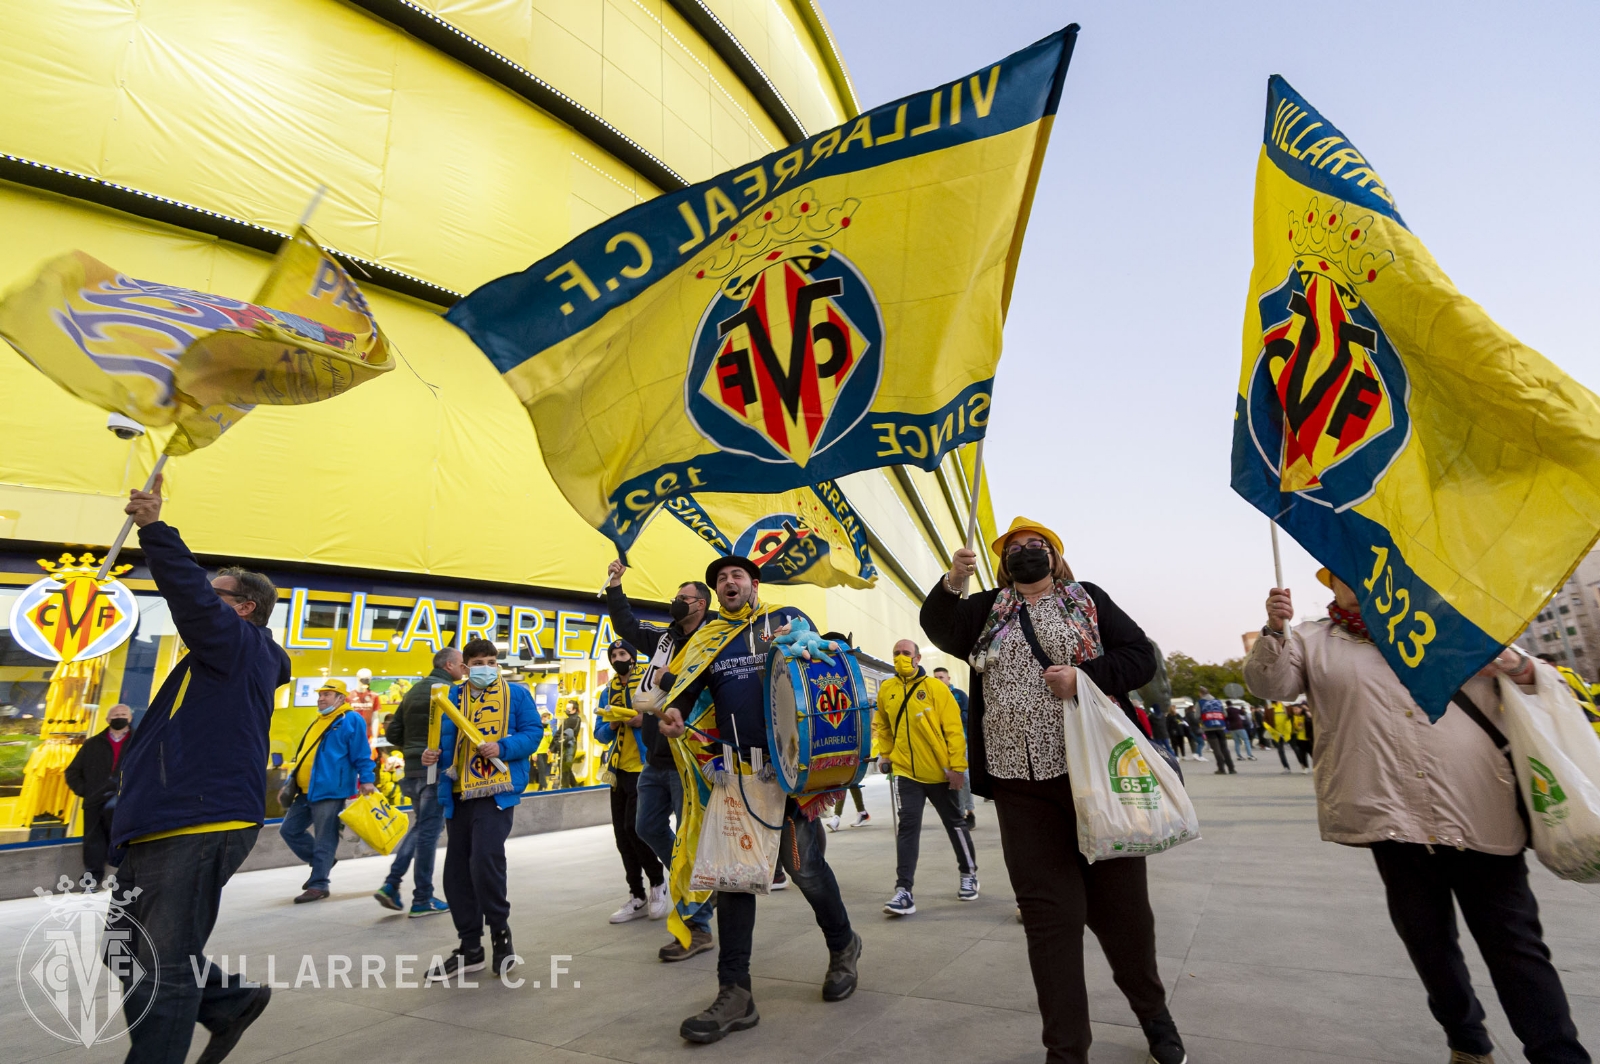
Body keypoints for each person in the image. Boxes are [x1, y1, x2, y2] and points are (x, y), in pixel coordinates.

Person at [1246, 570, 1591, 1064]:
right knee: (1430, 945)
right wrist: (1275, 630)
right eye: (1344, 572)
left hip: (1479, 809)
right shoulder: (1312, 639)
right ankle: (1467, 1042)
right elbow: (1270, 685)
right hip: (1392, 819)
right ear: (1331, 586)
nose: (1358, 581)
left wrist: (1515, 664)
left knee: (1517, 947)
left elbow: (1543, 684)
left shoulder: (1455, 624)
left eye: (1368, 568)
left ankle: (1559, 1055)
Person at [920, 517, 1185, 1064]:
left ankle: (1154, 1016)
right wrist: (952, 581)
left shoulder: (1087, 599)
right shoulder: (986, 610)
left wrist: (1085, 677)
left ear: (1056, 556)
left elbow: (1140, 655)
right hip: (1020, 787)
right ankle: (1066, 1051)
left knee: (1124, 916)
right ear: (999, 564)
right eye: (1013, 549)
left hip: (1095, 781)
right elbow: (940, 629)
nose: (1025, 553)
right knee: (1049, 922)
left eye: (1035, 545)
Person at [106, 473, 290, 1064]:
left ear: (244, 608)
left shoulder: (241, 645)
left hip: (195, 821)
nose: (204, 600)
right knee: (125, 951)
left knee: (159, 964)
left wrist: (155, 528)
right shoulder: (216, 663)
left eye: (218, 594)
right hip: (161, 819)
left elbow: (188, 594)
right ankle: (229, 1001)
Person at [658, 555, 861, 1043]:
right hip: (740, 775)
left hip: (792, 773)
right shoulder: (709, 639)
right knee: (734, 880)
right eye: (721, 579)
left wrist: (817, 648)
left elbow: (822, 665)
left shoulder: (787, 619)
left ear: (754, 583)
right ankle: (736, 993)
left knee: (804, 868)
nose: (729, 582)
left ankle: (843, 945)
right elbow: (686, 692)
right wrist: (674, 715)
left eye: (736, 576)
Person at [605, 562, 717, 960]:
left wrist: (671, 681)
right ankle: (697, 881)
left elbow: (709, 687)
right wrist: (615, 585)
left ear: (701, 605)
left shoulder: (716, 639)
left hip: (693, 756)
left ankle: (697, 926)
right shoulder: (665, 639)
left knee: (690, 839)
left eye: (683, 598)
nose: (676, 603)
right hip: (657, 756)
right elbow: (628, 627)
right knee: (646, 826)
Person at [422, 639, 543, 984]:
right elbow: (443, 744)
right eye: (478, 663)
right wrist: (432, 757)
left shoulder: (516, 695)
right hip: (457, 794)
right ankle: (469, 947)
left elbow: (534, 734)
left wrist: (502, 746)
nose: (485, 667)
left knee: (485, 860)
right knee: (456, 872)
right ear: (464, 667)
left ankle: (500, 933)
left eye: (491, 661)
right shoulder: (450, 698)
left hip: (497, 791)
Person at [875, 638, 978, 916]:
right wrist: (885, 754)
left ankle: (969, 873)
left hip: (939, 773)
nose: (900, 657)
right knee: (908, 828)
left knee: (955, 824)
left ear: (918, 658)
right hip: (907, 773)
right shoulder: (887, 689)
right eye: (896, 653)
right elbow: (882, 724)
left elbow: (954, 729)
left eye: (906, 653)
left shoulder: (935, 688)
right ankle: (903, 891)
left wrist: (957, 767)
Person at [374, 647, 464, 916]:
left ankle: (391, 884)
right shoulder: (448, 692)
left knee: (420, 828)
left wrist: (412, 751)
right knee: (428, 833)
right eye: (462, 663)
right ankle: (422, 898)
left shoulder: (413, 691)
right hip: (434, 771)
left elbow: (393, 733)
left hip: (412, 772)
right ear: (448, 665)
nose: (465, 669)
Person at [278, 679, 375, 902]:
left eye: (327, 694)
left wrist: (367, 780)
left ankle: (319, 884)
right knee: (289, 830)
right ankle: (324, 862)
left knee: (325, 838)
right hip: (305, 790)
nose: (321, 698)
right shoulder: (319, 720)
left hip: (331, 789)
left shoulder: (350, 720)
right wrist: (290, 782)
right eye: (320, 694)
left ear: (341, 698)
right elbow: (305, 754)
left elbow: (362, 753)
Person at [596, 638, 668, 924]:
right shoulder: (608, 690)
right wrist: (611, 724)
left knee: (636, 828)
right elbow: (599, 734)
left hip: (644, 767)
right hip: (617, 771)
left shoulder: (647, 683)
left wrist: (644, 720)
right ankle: (636, 894)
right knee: (622, 836)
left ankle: (657, 884)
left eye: (623, 653)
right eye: (613, 654)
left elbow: (664, 716)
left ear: (633, 656)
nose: (618, 658)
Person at [64, 702, 136, 889]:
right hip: (95, 801)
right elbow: (72, 772)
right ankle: (93, 878)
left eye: (123, 713)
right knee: (93, 841)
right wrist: (86, 791)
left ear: (130, 718)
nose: (119, 717)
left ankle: (127, 878)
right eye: (115, 714)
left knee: (126, 839)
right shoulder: (93, 743)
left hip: (127, 802)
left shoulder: (140, 742)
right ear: (107, 719)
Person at [933, 664, 974, 827]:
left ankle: (969, 812)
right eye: (935, 678)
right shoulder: (932, 696)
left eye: (941, 677)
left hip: (959, 743)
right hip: (940, 746)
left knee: (964, 777)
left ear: (948, 678)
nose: (938, 680)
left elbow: (968, 716)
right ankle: (957, 812)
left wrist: (951, 715)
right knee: (945, 779)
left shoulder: (959, 695)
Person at [1197, 688, 1235, 774]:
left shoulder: (1200, 702)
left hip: (1208, 728)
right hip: (1220, 727)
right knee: (1224, 748)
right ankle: (1231, 768)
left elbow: (1197, 716)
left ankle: (1221, 768)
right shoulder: (1218, 701)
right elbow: (1225, 714)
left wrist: (1203, 720)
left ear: (1201, 693)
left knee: (1216, 749)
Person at [1261, 700, 1295, 773]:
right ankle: (1286, 767)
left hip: (1287, 732)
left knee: (1296, 748)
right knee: (1280, 751)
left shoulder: (1286, 705)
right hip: (1277, 733)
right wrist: (1270, 729)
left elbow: (1292, 716)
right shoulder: (1269, 707)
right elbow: (1265, 720)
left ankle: (1304, 765)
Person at [557, 701, 583, 788]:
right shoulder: (568, 720)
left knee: (565, 767)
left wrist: (561, 740)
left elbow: (571, 733)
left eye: (568, 709)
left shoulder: (576, 719)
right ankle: (575, 785)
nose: (566, 710)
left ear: (574, 710)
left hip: (569, 746)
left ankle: (565, 787)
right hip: (565, 745)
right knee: (566, 767)